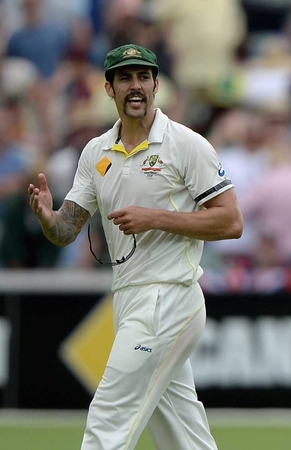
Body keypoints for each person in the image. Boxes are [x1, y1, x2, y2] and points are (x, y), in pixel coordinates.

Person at [27, 44, 243, 449]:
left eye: (143, 77)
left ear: (157, 84)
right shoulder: (96, 152)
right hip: (130, 298)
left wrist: (155, 217)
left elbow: (231, 221)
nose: (136, 86)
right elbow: (66, 230)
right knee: (183, 434)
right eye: (125, 78)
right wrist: (47, 217)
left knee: (109, 418)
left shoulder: (186, 144)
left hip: (170, 295)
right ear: (108, 88)